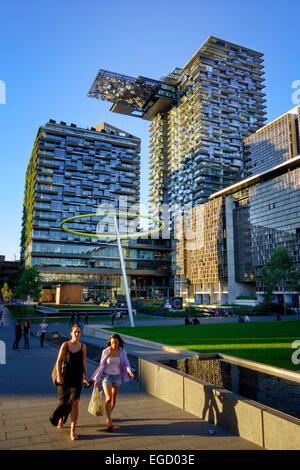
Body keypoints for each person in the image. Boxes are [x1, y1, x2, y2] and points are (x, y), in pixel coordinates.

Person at [49, 324, 89, 440]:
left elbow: (84, 362)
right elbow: (58, 361)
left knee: (75, 403)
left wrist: (86, 377)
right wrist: (59, 376)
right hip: (65, 378)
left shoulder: (83, 347)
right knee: (64, 402)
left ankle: (72, 431)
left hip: (77, 378)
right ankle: (60, 418)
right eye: (75, 332)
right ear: (71, 333)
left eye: (79, 332)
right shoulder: (65, 345)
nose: (77, 334)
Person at [91, 333, 134, 431]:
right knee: (109, 398)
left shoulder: (122, 352)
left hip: (117, 377)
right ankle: (109, 420)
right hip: (107, 376)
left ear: (119, 342)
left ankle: (108, 414)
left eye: (116, 343)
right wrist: (97, 379)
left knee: (114, 399)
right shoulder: (106, 351)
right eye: (112, 343)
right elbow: (101, 366)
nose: (114, 344)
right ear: (110, 343)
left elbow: (126, 363)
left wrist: (129, 371)